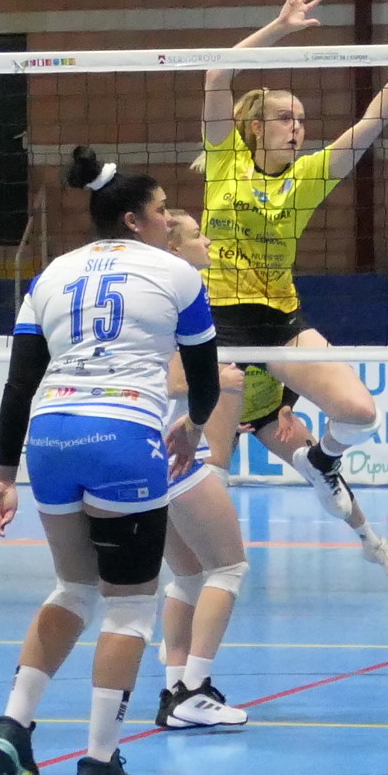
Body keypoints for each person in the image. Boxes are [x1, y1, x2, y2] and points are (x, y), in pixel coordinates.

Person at [0, 148, 222, 775]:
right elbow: (204, 378)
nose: (170, 219)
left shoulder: (51, 274)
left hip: (50, 437)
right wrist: (194, 426)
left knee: (73, 587)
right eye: (162, 210)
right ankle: (99, 763)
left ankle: (14, 723)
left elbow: (18, 384)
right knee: (131, 606)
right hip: (122, 435)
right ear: (133, 220)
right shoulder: (176, 273)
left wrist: (3, 476)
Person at [201, 0, 388, 578]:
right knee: (206, 474)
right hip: (215, 328)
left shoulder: (310, 175)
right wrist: (280, 26)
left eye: (302, 120)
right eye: (285, 118)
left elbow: (370, 123)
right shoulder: (224, 159)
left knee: (358, 414)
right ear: (255, 128)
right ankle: (197, 576)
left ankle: (341, 491)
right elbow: (215, 76)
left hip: (277, 321)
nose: (297, 127)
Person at [152, 210, 257, 731]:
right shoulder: (176, 290)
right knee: (229, 568)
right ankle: (195, 689)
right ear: (173, 248)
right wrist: (218, 379)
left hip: (146, 453)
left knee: (189, 574)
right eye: (197, 235)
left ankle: (175, 690)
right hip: (174, 452)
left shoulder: (148, 290)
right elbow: (173, 378)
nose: (209, 240)